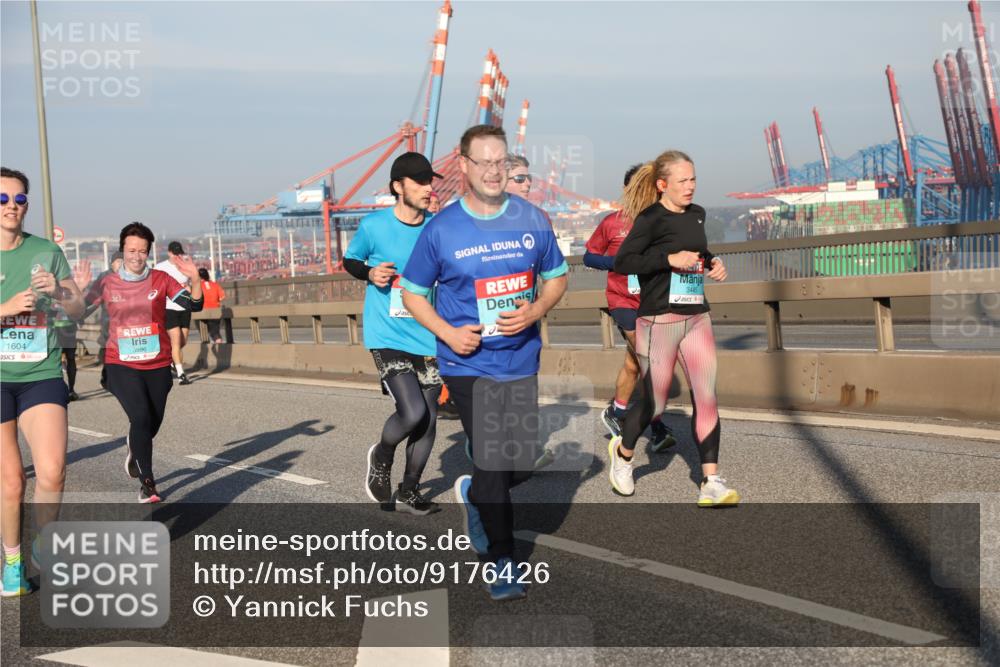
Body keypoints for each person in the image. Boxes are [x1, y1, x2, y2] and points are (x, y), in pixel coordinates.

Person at [402, 125, 568, 600]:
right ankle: (501, 559)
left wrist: (535, 310)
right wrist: (449, 332)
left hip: (521, 358)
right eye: (484, 162)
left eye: (501, 162)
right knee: (496, 462)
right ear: (465, 166)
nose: (494, 171)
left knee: (517, 466)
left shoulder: (533, 219)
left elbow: (556, 278)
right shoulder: (442, 229)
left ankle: (475, 493)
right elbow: (412, 293)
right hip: (468, 362)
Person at [611, 150, 739, 506]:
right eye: (682, 181)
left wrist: (712, 262)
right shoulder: (650, 218)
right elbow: (625, 261)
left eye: (693, 179)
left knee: (707, 395)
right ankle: (623, 455)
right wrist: (668, 260)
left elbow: (697, 251)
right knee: (655, 402)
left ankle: (710, 480)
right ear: (662, 185)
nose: (690, 186)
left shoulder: (697, 215)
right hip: (658, 319)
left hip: (696, 315)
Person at [1, 167, 88, 596]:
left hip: (41, 371)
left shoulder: (46, 251)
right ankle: (12, 563)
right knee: (12, 481)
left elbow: (77, 310)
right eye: (2, 199)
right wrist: (3, 310)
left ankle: (42, 545)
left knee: (52, 471)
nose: (11, 207)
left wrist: (58, 290)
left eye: (18, 199)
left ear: (27, 205)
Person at [343, 152, 444, 516]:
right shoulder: (374, 226)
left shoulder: (438, 227)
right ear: (398, 187)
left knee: (430, 417)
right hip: (387, 333)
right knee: (413, 410)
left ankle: (409, 490)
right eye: (419, 182)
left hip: (428, 333)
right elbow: (351, 260)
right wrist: (369, 273)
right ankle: (382, 455)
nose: (428, 188)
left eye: (430, 180)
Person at [86, 222, 202, 503]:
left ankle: (135, 448)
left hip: (158, 363)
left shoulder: (161, 279)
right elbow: (79, 309)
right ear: (122, 250)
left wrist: (196, 279)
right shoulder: (107, 282)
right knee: (139, 416)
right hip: (120, 363)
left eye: (142, 251)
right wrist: (68, 294)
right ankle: (148, 483)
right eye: (131, 250)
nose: (136, 256)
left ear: (149, 252)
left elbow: (194, 305)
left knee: (152, 421)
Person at [584, 165, 676, 450]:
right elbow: (589, 256)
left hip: (655, 301)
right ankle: (657, 427)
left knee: (634, 362)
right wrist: (617, 263)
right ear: (629, 190)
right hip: (623, 300)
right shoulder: (612, 223)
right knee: (649, 359)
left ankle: (617, 412)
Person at [154, 241, 193, 384]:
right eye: (175, 253)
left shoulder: (185, 265)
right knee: (176, 341)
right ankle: (181, 374)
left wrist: (188, 287)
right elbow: (154, 286)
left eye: (179, 253)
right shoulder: (160, 268)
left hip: (185, 308)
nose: (177, 255)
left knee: (183, 341)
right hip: (169, 307)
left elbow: (190, 282)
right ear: (169, 252)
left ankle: (169, 359)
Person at [94, 252, 123, 390]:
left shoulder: (130, 276)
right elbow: (94, 295)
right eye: (118, 261)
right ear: (112, 264)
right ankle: (106, 376)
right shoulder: (104, 277)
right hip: (108, 320)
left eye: (123, 261)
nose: (120, 264)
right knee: (107, 350)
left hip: (126, 321)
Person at [197, 268, 226, 343]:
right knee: (215, 331)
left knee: (205, 331)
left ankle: (207, 344)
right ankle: (219, 343)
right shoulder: (215, 284)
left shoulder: (198, 286)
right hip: (215, 310)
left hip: (203, 311)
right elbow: (222, 297)